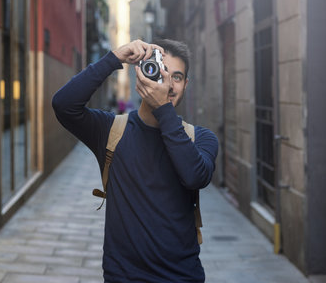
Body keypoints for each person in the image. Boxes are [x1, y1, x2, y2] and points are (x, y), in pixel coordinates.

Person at [52, 39, 218, 282]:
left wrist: (163, 109)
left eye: (177, 77)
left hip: (182, 277)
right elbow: (63, 105)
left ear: (186, 84)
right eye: (160, 72)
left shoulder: (201, 138)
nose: (168, 84)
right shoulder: (111, 131)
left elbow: (195, 176)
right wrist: (114, 59)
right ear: (142, 73)